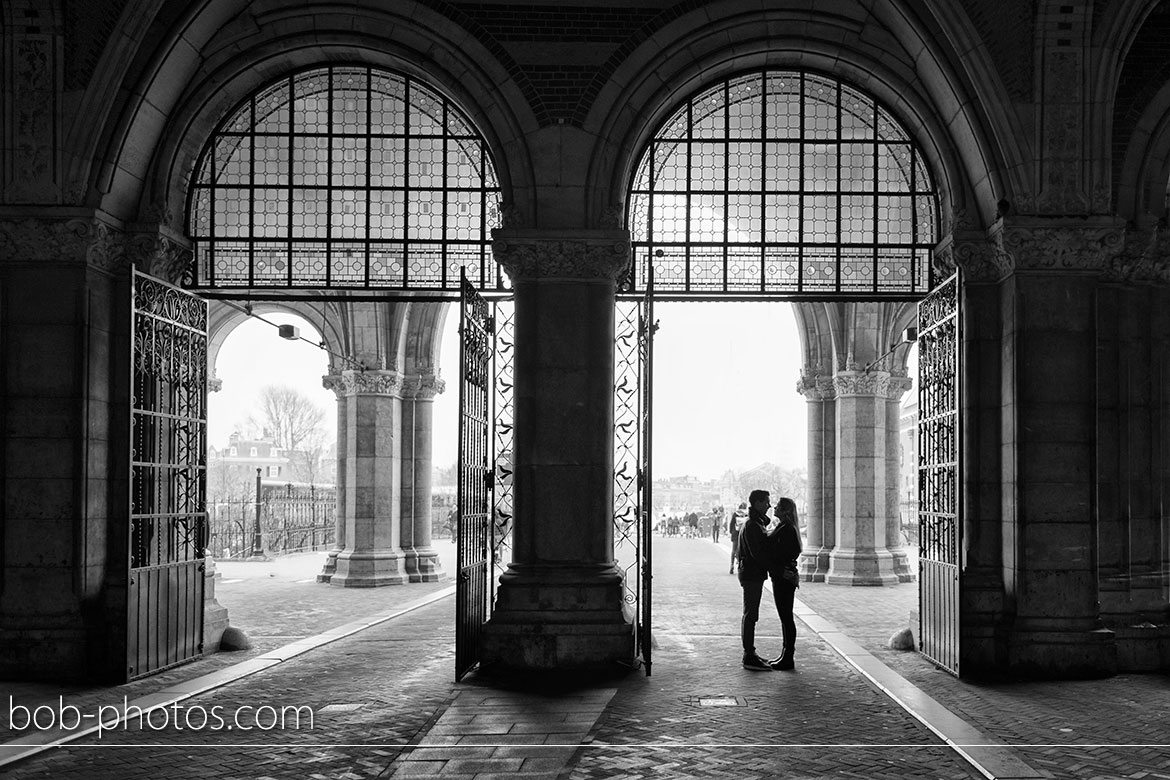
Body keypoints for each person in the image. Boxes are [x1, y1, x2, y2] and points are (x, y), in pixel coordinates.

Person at [737, 490, 777, 670]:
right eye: (766, 502)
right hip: (752, 574)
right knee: (751, 614)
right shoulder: (754, 525)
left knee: (750, 613)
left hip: (750, 572)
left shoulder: (752, 523)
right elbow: (758, 553)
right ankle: (749, 655)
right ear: (758, 503)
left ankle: (750, 652)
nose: (769, 506)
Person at [766, 496, 803, 671]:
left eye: (779, 506)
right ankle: (785, 654)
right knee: (785, 616)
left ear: (785, 510)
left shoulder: (786, 529)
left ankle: (788, 657)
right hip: (784, 575)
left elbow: (784, 551)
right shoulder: (786, 527)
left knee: (786, 617)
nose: (775, 507)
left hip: (784, 577)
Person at [728, 502, 747, 574]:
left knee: (733, 550)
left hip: (735, 533)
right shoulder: (747, 514)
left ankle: (732, 565)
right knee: (742, 550)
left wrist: (731, 531)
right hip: (743, 534)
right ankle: (740, 565)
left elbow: (732, 523)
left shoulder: (735, 513)